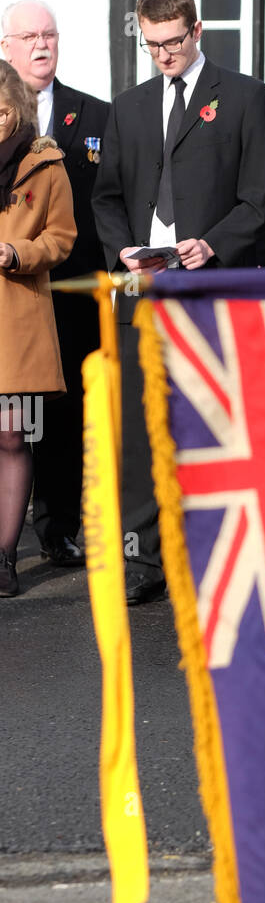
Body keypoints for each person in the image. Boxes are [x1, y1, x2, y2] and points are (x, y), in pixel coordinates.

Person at [92, 0, 265, 606]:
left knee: (213, 420)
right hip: (141, 287)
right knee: (142, 427)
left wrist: (214, 244)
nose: (164, 56)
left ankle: (215, 552)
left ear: (196, 32)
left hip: (214, 285)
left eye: (173, 42)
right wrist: (122, 249)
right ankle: (145, 558)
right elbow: (109, 198)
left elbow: (260, 199)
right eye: (151, 46)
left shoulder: (248, 97)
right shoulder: (130, 106)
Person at [1, 0, 109, 569]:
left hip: (68, 288)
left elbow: (104, 206)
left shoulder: (93, 116)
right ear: (6, 47)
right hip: (9, 298)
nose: (42, 44)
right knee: (10, 430)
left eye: (50, 34)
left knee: (62, 419)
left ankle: (59, 526)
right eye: (29, 36)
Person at [0, 62, 76, 596]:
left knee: (10, 437)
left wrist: (16, 252)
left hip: (18, 319)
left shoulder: (46, 162)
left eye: (2, 112)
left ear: (19, 109)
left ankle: (3, 558)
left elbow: (62, 237)